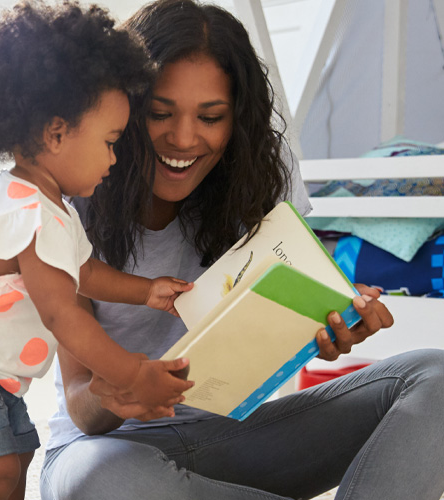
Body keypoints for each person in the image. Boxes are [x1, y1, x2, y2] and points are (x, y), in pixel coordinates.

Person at [40, 1, 444, 499]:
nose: (184, 138)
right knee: (96, 482)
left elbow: (285, 322)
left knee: (436, 378)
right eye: (159, 113)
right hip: (110, 450)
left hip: (234, 437)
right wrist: (122, 389)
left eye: (211, 117)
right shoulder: (70, 198)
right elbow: (80, 404)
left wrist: (326, 321)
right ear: (122, 109)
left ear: (237, 121)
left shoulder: (260, 177)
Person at [0, 2, 199, 499]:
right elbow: (64, 317)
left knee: (17, 461)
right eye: (110, 141)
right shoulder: (32, 215)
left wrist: (147, 291)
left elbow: (86, 273)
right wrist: (133, 373)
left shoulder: (44, 205)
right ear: (57, 134)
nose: (115, 159)